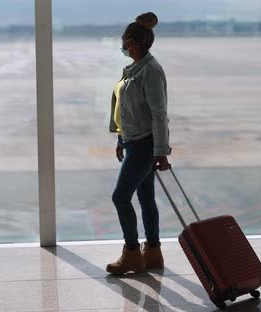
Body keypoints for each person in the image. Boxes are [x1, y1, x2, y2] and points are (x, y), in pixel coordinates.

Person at [106, 12, 171, 274]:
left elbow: (159, 114)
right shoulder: (134, 69)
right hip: (133, 141)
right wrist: (121, 138)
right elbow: (128, 108)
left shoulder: (151, 71)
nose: (122, 46)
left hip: (145, 144)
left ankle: (132, 252)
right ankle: (153, 253)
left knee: (121, 197)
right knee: (145, 198)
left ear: (134, 42)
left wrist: (161, 152)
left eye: (124, 41)